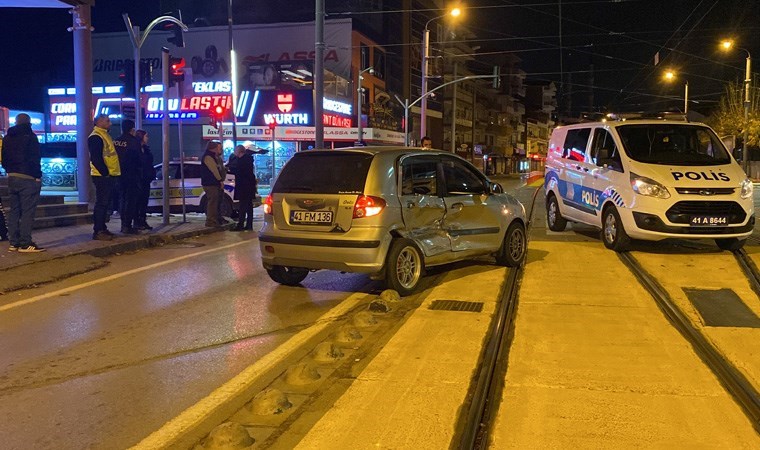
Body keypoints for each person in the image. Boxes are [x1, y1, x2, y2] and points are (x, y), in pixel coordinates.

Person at [1, 113, 43, 252]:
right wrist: (37, 176)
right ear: (29, 123)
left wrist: (10, 170)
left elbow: (4, 158)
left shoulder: (7, 138)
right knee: (27, 212)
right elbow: (35, 158)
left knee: (14, 211)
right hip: (28, 178)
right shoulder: (30, 137)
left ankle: (14, 242)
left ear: (16, 122)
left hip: (12, 177)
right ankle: (26, 243)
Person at [88, 114, 121, 241]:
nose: (110, 123)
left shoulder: (104, 134)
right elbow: (96, 158)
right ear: (99, 122)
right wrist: (105, 172)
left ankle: (103, 228)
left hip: (109, 175)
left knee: (106, 203)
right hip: (102, 176)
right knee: (102, 203)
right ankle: (98, 230)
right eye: (108, 121)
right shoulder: (96, 136)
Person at [113, 119, 141, 235]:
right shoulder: (134, 142)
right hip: (131, 175)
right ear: (132, 129)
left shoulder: (116, 141)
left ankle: (123, 224)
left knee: (122, 200)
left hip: (118, 175)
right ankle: (127, 225)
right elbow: (138, 159)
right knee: (130, 201)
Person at [231, 145, 257, 231]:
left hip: (243, 186)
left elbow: (239, 173)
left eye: (235, 150)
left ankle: (241, 224)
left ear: (239, 151)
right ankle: (249, 225)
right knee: (249, 206)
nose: (234, 152)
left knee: (242, 206)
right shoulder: (248, 160)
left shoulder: (241, 161)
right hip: (249, 186)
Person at [200, 140, 225, 227]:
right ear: (213, 148)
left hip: (212, 182)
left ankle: (215, 219)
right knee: (213, 202)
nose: (219, 149)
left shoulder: (214, 157)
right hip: (210, 183)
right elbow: (214, 170)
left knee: (215, 202)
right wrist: (220, 180)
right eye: (218, 148)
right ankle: (211, 221)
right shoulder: (208, 157)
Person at [134, 129, 154, 230]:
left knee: (144, 201)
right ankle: (137, 221)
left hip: (146, 178)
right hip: (138, 179)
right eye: (146, 136)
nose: (148, 138)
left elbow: (149, 163)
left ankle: (142, 220)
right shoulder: (136, 149)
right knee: (138, 201)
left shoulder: (146, 149)